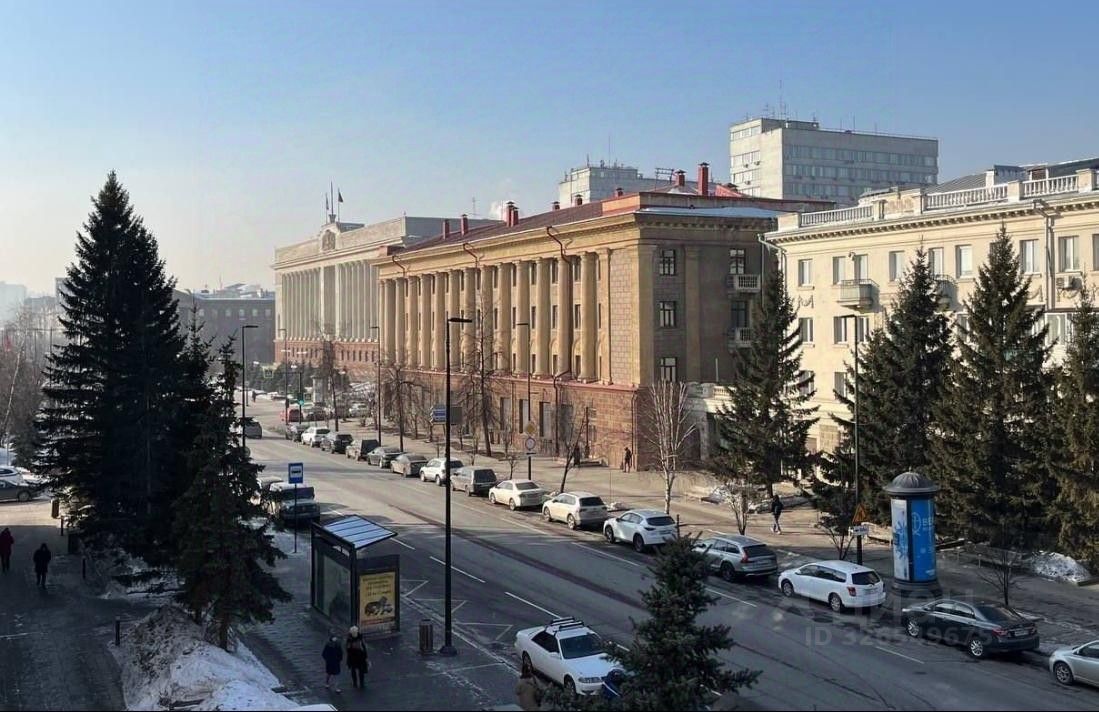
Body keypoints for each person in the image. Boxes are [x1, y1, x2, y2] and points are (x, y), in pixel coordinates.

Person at [345, 625, 369, 689]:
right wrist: (366, 657)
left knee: (353, 670)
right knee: (361, 671)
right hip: (360, 657)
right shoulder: (360, 638)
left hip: (352, 658)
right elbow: (364, 648)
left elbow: (347, 649)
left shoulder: (349, 639)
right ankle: (361, 683)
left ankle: (355, 683)